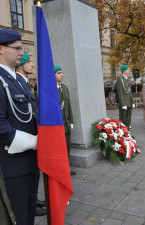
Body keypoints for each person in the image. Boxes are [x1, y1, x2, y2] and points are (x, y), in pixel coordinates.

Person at [0, 29, 39, 225]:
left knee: (30, 212)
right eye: (16, 48)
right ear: (0, 49)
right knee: (19, 217)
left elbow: (31, 116)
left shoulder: (19, 81)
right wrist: (34, 142)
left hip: (31, 161)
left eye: (22, 48)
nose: (22, 53)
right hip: (12, 165)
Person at [15, 52, 47, 216]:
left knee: (34, 174)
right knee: (29, 175)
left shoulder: (25, 83)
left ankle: (34, 200)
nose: (33, 65)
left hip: (32, 137)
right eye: (29, 62)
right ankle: (31, 204)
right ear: (21, 65)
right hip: (24, 139)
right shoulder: (18, 82)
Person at [55, 65, 76, 176]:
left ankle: (66, 169)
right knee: (58, 149)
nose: (62, 75)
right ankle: (59, 170)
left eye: (62, 72)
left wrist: (71, 121)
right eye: (59, 73)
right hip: (57, 125)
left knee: (67, 147)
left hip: (66, 124)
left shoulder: (65, 88)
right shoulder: (50, 89)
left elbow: (69, 106)